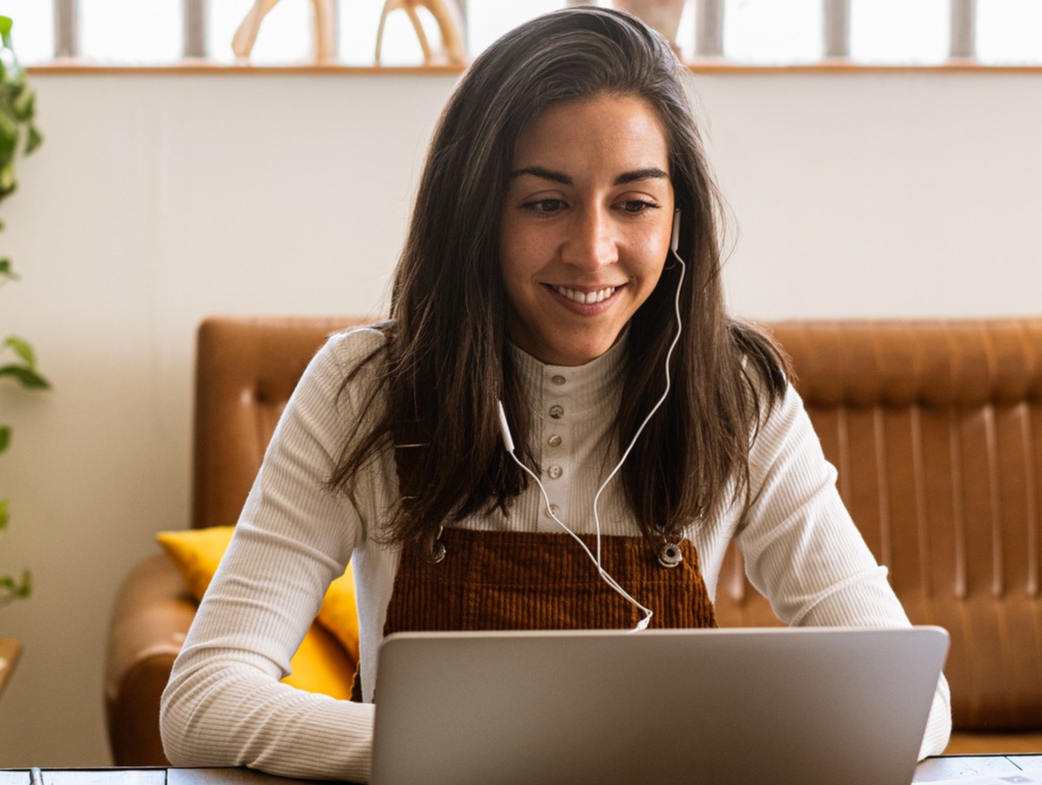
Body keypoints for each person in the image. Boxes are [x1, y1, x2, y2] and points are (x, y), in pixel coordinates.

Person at [160, 7, 952, 782]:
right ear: (475, 212)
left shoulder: (736, 393)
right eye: (545, 202)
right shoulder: (361, 386)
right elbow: (202, 700)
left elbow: (916, 703)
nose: (593, 249)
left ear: (678, 218)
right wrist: (469, 754)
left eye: (634, 203)